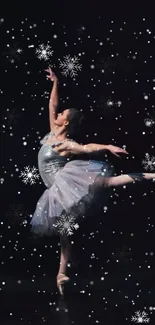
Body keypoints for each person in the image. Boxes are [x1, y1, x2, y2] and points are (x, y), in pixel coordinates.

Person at [30, 67, 155, 296]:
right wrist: (55, 81)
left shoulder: (65, 144)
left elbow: (87, 148)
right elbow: (52, 105)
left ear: (65, 123)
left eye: (62, 115)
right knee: (64, 231)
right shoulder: (51, 133)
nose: (57, 115)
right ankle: (61, 273)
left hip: (64, 183)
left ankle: (151, 175)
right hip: (55, 190)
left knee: (108, 183)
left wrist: (106, 146)